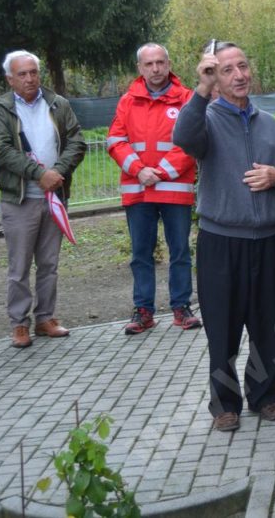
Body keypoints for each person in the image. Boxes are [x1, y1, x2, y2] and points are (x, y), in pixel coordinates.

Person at [172, 40, 275, 432]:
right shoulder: (206, 120)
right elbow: (182, 137)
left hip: (268, 241)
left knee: (266, 325)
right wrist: (201, 89)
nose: (238, 75)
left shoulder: (269, 123)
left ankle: (265, 397)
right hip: (221, 242)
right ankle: (225, 404)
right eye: (226, 70)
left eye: (242, 66)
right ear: (216, 77)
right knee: (222, 327)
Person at [0, 50, 86, 348]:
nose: (29, 78)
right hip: (20, 201)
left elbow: (77, 141)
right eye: (22, 74)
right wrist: (37, 174)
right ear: (10, 79)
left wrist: (57, 171)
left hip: (54, 197)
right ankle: (19, 324)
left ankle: (45, 318)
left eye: (33, 72)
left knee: (49, 263)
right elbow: (1, 151)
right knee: (19, 267)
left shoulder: (58, 103)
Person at [107, 43, 200, 335]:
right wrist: (139, 170)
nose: (156, 68)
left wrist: (158, 172)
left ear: (169, 63)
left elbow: (192, 141)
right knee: (141, 254)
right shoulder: (127, 101)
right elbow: (115, 141)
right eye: (149, 64)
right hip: (139, 191)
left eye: (160, 62)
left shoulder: (186, 99)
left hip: (173, 189)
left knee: (180, 252)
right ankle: (143, 310)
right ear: (140, 68)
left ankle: (181, 308)